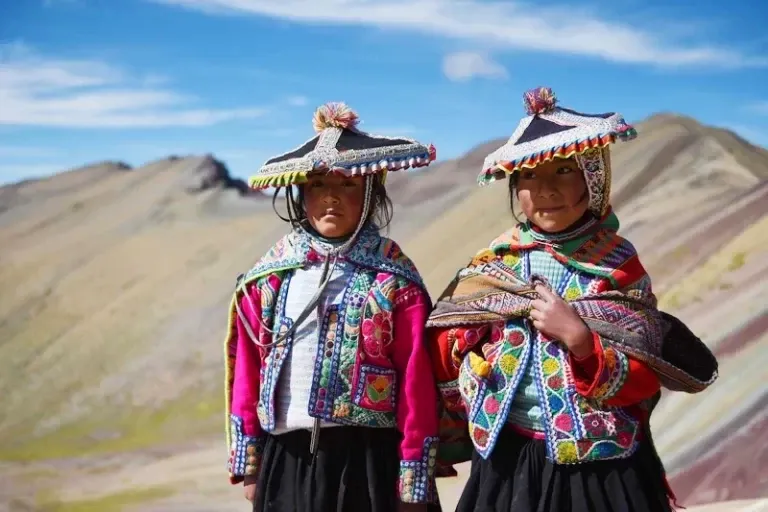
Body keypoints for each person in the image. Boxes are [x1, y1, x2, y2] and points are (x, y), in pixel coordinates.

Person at [426, 87, 719, 512]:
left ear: (593, 177)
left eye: (564, 171)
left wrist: (581, 340)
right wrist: (469, 352)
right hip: (510, 463)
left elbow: (643, 376)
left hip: (600, 466)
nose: (544, 189)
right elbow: (444, 343)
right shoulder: (492, 264)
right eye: (528, 175)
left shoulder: (618, 267)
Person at [223, 102, 443, 512]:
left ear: (370, 193)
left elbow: (416, 380)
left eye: (348, 186)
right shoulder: (269, 278)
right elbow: (248, 369)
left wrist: (412, 477)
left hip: (370, 459)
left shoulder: (394, 279)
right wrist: (250, 464)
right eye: (318, 185)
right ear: (300, 192)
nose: (331, 199)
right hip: (284, 457)